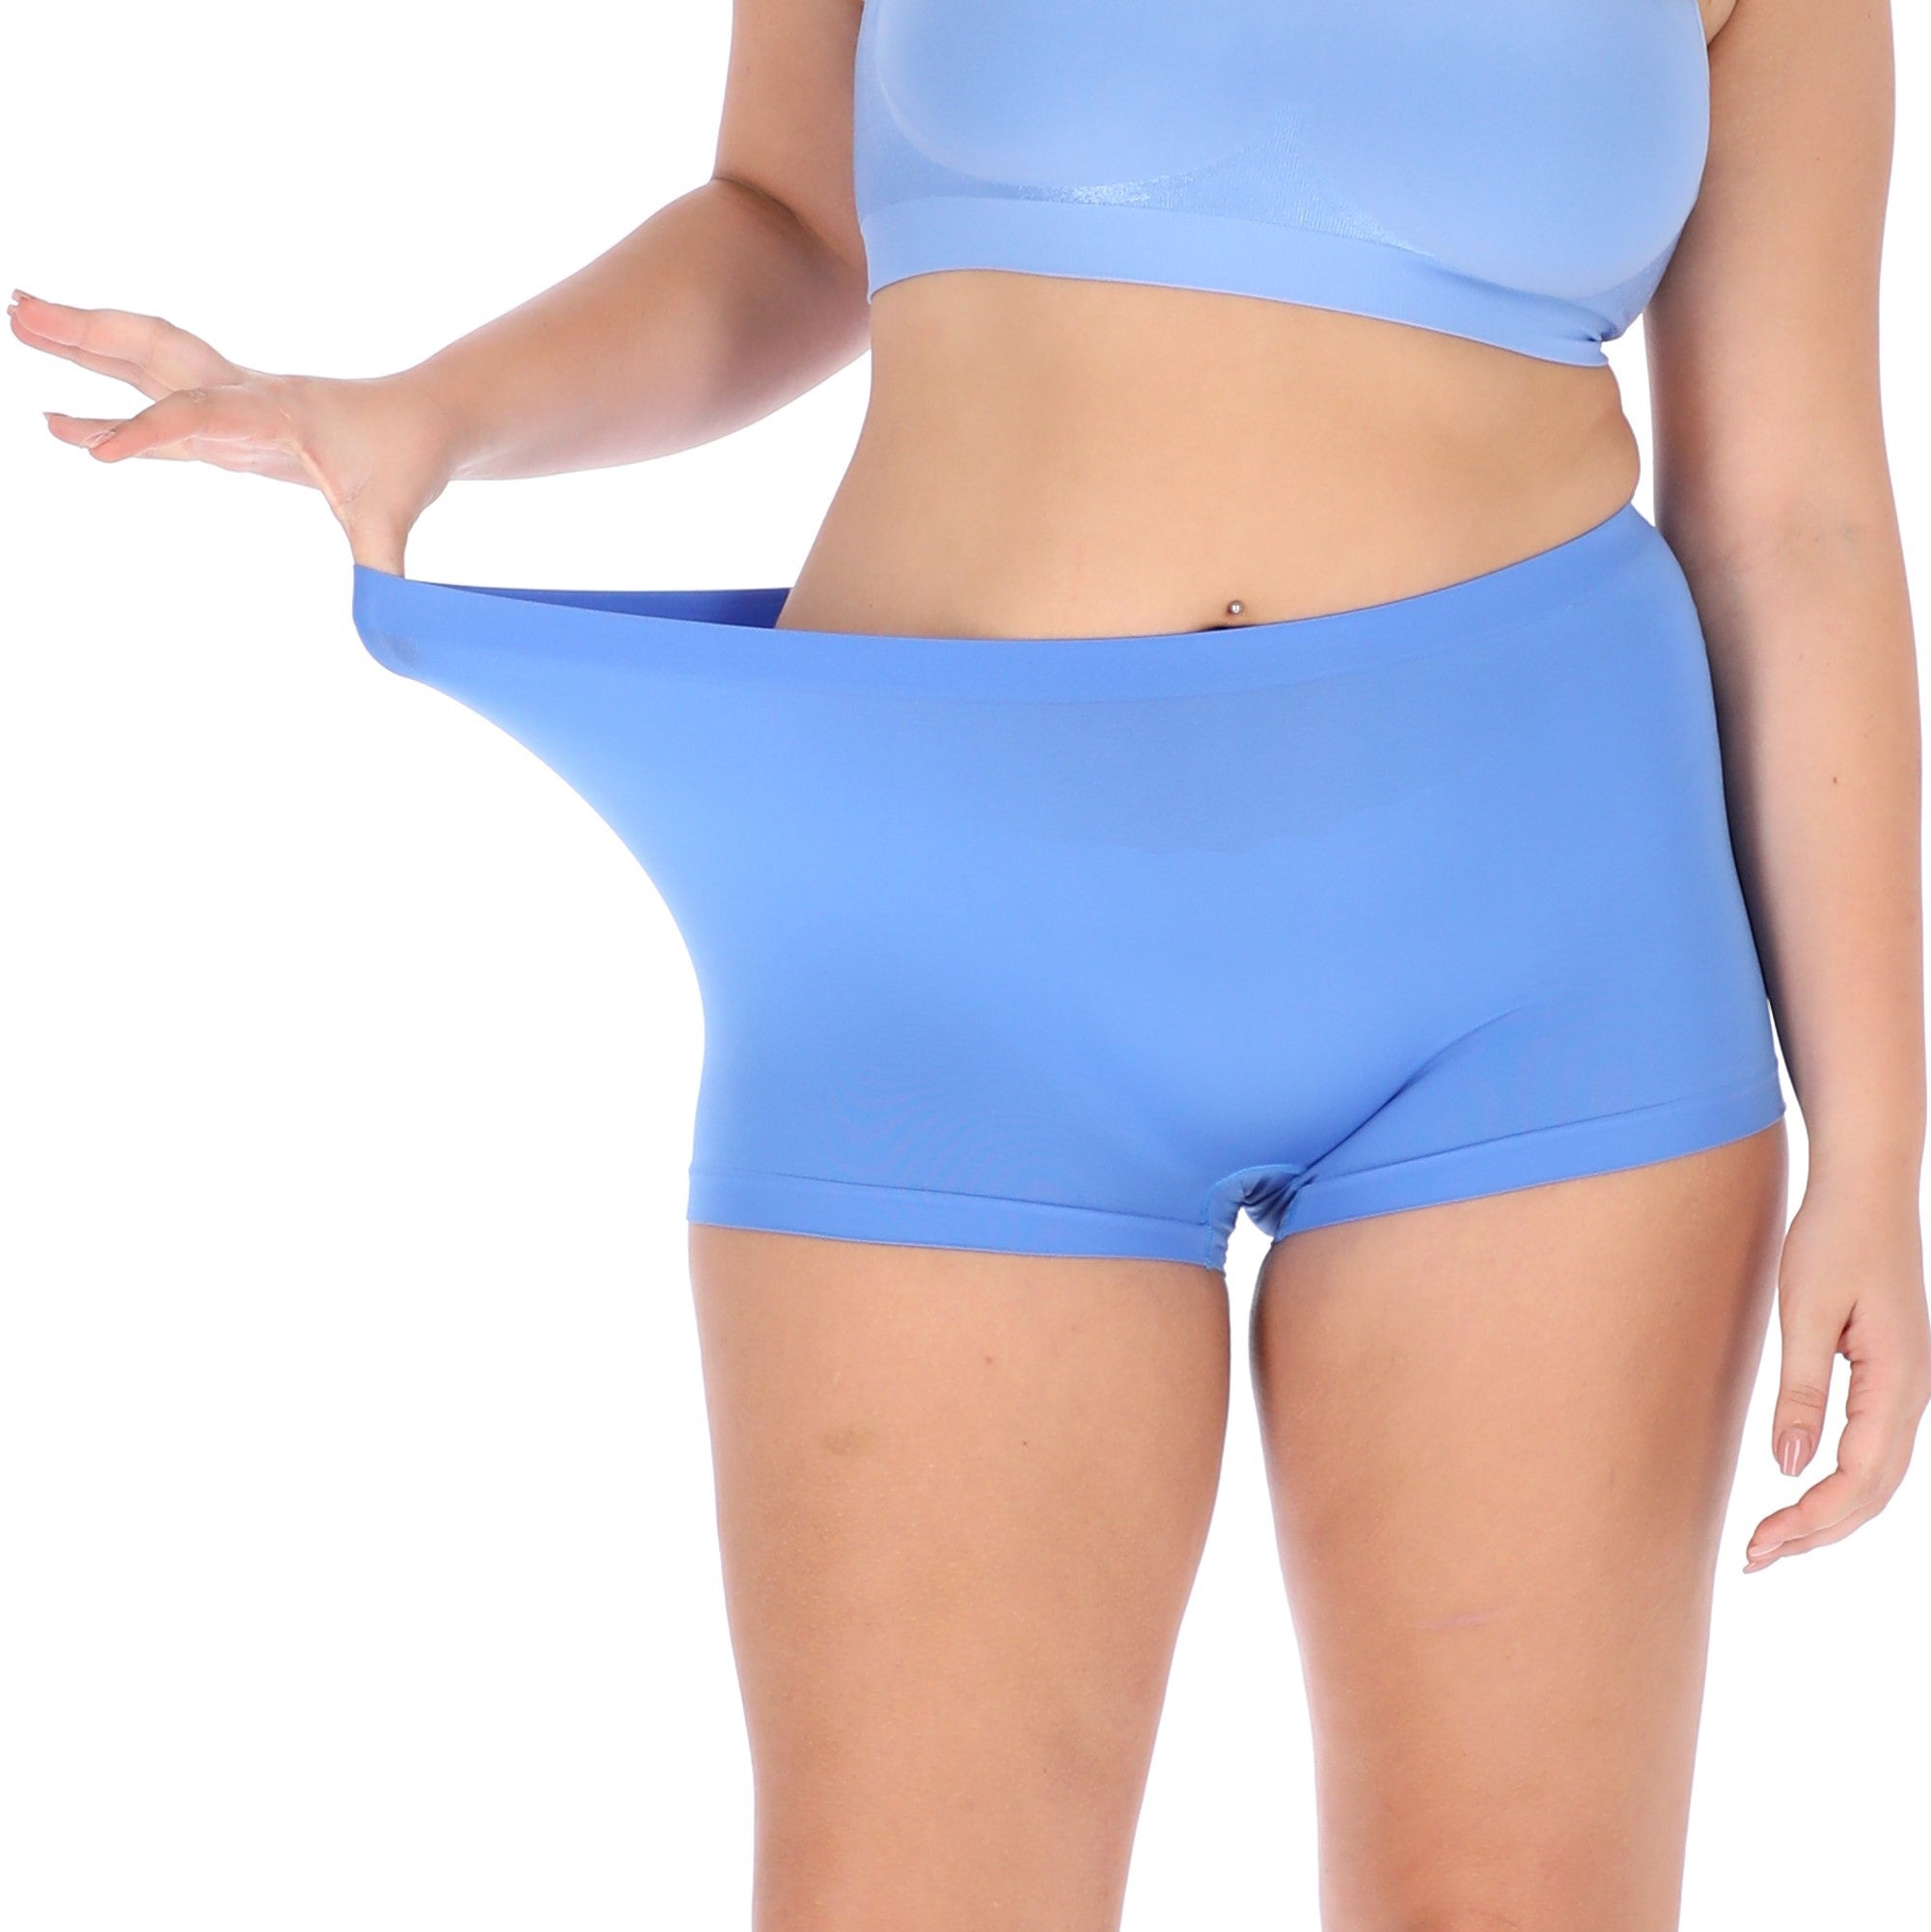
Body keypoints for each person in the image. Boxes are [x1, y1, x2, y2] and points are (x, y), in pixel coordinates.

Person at [14, 2, 1930, 1926]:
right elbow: (784, 224)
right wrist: (425, 413)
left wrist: (1874, 1147)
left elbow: (1798, 520)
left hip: (1536, 927)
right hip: (942, 943)